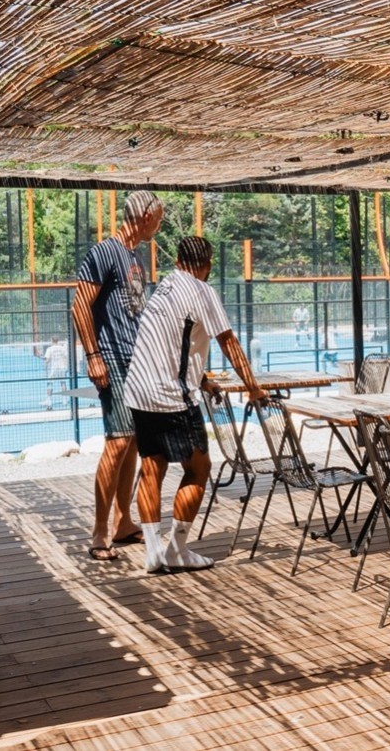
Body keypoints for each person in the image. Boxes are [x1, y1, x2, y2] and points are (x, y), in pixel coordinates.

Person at [124, 236, 267, 573]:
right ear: (207, 265)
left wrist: (202, 380)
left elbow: (170, 344)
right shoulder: (202, 291)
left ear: (176, 260)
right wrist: (254, 388)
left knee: (151, 468)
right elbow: (228, 342)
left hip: (139, 390)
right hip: (171, 397)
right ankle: (176, 551)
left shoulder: (164, 288)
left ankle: (152, 553)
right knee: (198, 469)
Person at [72, 190, 164, 561]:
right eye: (158, 217)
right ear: (143, 215)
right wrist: (93, 356)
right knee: (117, 441)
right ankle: (99, 532)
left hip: (137, 361)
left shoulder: (135, 256)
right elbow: (80, 304)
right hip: (113, 359)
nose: (160, 224)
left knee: (133, 444)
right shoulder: (105, 252)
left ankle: (123, 522)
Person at [42, 336, 69, 410]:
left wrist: (45, 366)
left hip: (54, 368)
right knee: (63, 383)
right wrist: (66, 366)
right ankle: (64, 400)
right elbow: (66, 357)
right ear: (58, 340)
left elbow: (47, 360)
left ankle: (49, 401)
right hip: (62, 368)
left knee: (50, 383)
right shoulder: (62, 348)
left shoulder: (49, 349)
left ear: (51, 340)